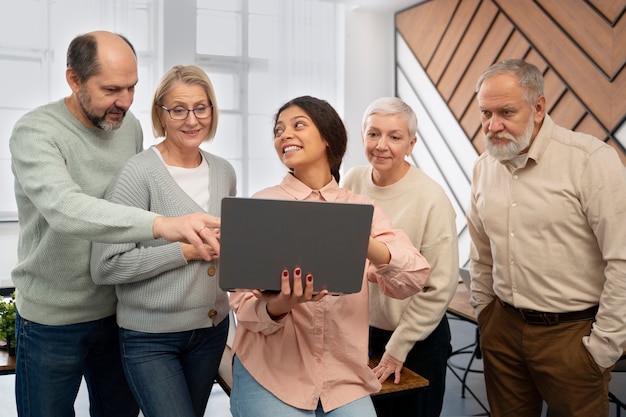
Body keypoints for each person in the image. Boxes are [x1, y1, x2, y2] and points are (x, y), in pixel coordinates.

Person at [9, 32, 221, 417]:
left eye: (132, 87)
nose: (123, 101)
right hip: (53, 319)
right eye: (111, 89)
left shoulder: (128, 126)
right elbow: (65, 208)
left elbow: (131, 201)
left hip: (118, 312)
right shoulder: (36, 133)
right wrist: (162, 225)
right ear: (74, 80)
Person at [228, 95, 432, 417]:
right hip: (272, 374)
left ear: (327, 137)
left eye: (298, 125)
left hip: (344, 380)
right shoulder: (262, 206)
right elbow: (243, 306)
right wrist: (282, 304)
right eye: (279, 130)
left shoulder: (363, 210)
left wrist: (359, 241)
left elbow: (414, 277)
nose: (285, 135)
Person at [467, 59, 626, 417]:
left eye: (506, 111)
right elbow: (480, 252)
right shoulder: (483, 167)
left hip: (572, 335)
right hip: (502, 328)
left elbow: (622, 259)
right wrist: (486, 314)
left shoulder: (590, 160)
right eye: (485, 113)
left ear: (539, 107)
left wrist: (604, 346)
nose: (493, 125)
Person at [90, 64, 235, 417]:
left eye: (201, 108)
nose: (191, 120)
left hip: (212, 331)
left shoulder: (224, 171)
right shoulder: (138, 173)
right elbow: (106, 266)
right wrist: (186, 250)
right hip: (150, 338)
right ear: (161, 114)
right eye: (178, 110)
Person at [342, 97, 458, 417]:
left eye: (394, 137)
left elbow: (440, 287)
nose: (382, 145)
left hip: (415, 339)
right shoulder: (352, 180)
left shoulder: (432, 198)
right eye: (373, 134)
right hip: (362, 333)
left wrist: (398, 347)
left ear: (411, 144)